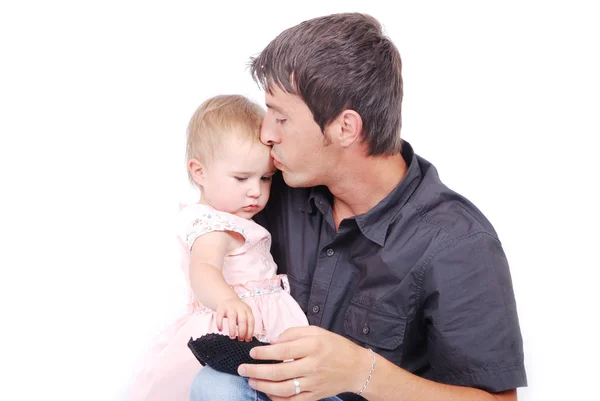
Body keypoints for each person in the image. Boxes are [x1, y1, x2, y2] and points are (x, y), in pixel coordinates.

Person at [190, 12, 527, 401]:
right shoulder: (271, 189)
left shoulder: (457, 244)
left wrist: (361, 373)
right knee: (214, 385)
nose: (266, 133)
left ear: (345, 128)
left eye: (281, 117)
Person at [126, 94, 315, 401]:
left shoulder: (234, 217)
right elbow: (203, 268)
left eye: (265, 178)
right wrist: (227, 300)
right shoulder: (213, 226)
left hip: (262, 321)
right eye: (241, 178)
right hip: (235, 327)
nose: (256, 191)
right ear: (199, 172)